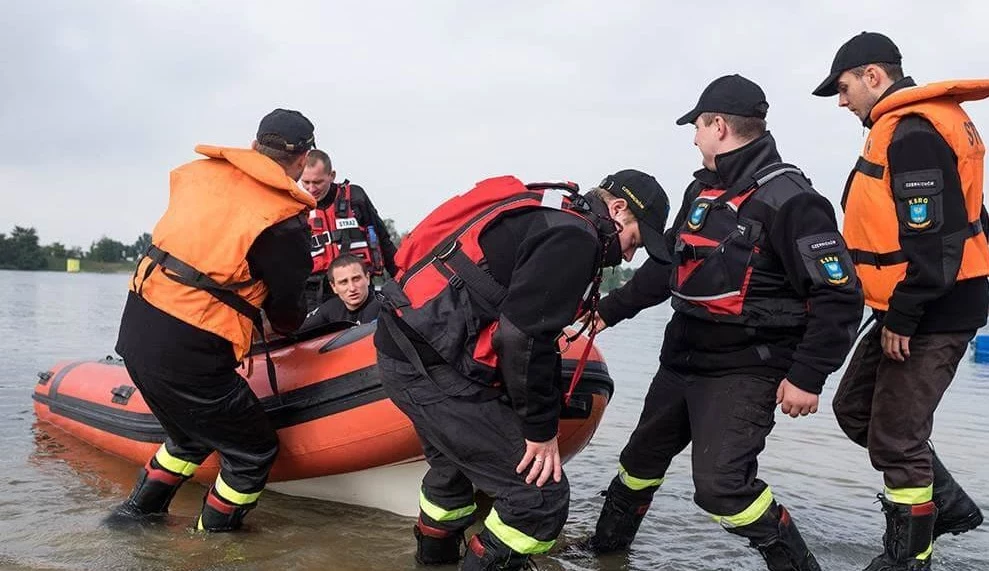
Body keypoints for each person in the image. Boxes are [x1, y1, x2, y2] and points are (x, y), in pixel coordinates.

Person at [581, 75, 864, 571]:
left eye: (696, 126)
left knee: (722, 488)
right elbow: (669, 264)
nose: (692, 137)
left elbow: (840, 296)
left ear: (718, 126)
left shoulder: (793, 200)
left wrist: (806, 376)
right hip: (681, 359)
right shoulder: (701, 189)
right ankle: (604, 555)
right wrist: (606, 312)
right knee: (636, 467)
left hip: (746, 368)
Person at [374, 172, 671, 570]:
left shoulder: (552, 212)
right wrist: (540, 431)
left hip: (405, 350)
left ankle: (433, 563)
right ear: (618, 210)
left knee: (451, 473)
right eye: (635, 241)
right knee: (541, 500)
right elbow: (523, 337)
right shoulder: (575, 238)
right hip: (432, 367)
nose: (631, 256)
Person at [812, 32, 988, 570]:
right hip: (911, 302)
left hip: (934, 306)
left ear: (873, 76)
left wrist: (906, 318)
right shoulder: (912, 126)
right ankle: (949, 505)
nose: (841, 102)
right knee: (853, 410)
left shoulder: (911, 132)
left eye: (843, 89)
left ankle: (910, 560)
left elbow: (935, 243)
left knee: (896, 438)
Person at [110, 108, 317, 532]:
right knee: (252, 451)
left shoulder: (200, 173)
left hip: (136, 329)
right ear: (302, 159)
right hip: (190, 350)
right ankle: (212, 546)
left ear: (255, 143)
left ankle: (133, 518)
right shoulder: (282, 219)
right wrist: (289, 326)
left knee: (188, 438)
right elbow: (287, 309)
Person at [301, 149, 398, 310]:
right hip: (315, 296)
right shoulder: (294, 207)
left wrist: (402, 278)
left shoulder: (355, 197)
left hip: (358, 289)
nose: (311, 189)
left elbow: (383, 239)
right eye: (306, 182)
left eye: (317, 182)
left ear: (331, 176)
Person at [301, 254, 381, 327]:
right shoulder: (330, 308)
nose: (352, 288)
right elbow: (296, 331)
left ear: (367, 278)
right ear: (334, 287)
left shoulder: (384, 307)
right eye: (344, 282)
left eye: (356, 279)